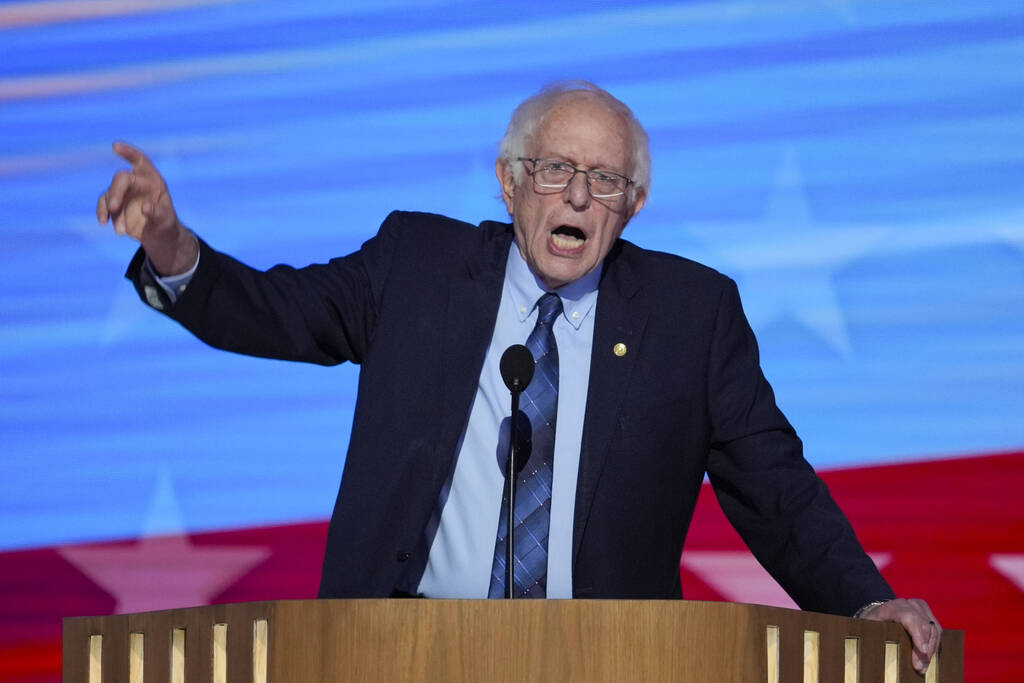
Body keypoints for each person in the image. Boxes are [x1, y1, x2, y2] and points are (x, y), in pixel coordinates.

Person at [97, 81, 942, 672]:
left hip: (608, 661)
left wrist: (865, 605)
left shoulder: (691, 316)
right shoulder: (417, 266)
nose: (577, 194)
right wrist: (173, 248)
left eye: (605, 179)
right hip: (393, 650)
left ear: (634, 203)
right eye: (555, 170)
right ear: (510, 182)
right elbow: (276, 311)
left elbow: (776, 486)